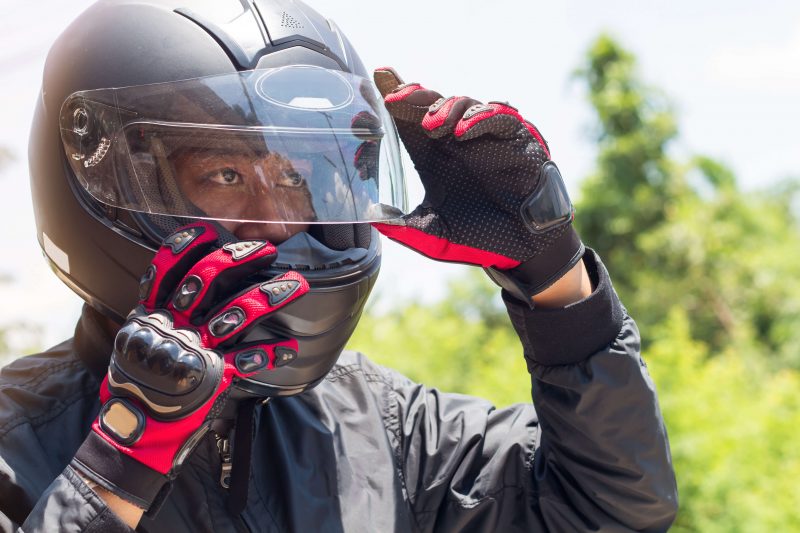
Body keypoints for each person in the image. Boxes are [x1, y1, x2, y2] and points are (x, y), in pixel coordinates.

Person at [0, 0, 678, 531]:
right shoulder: (15, 440)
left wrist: (556, 280)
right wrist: (113, 468)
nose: (277, 220)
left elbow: (609, 507)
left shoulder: (382, 426)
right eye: (226, 172)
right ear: (95, 182)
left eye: (297, 178)